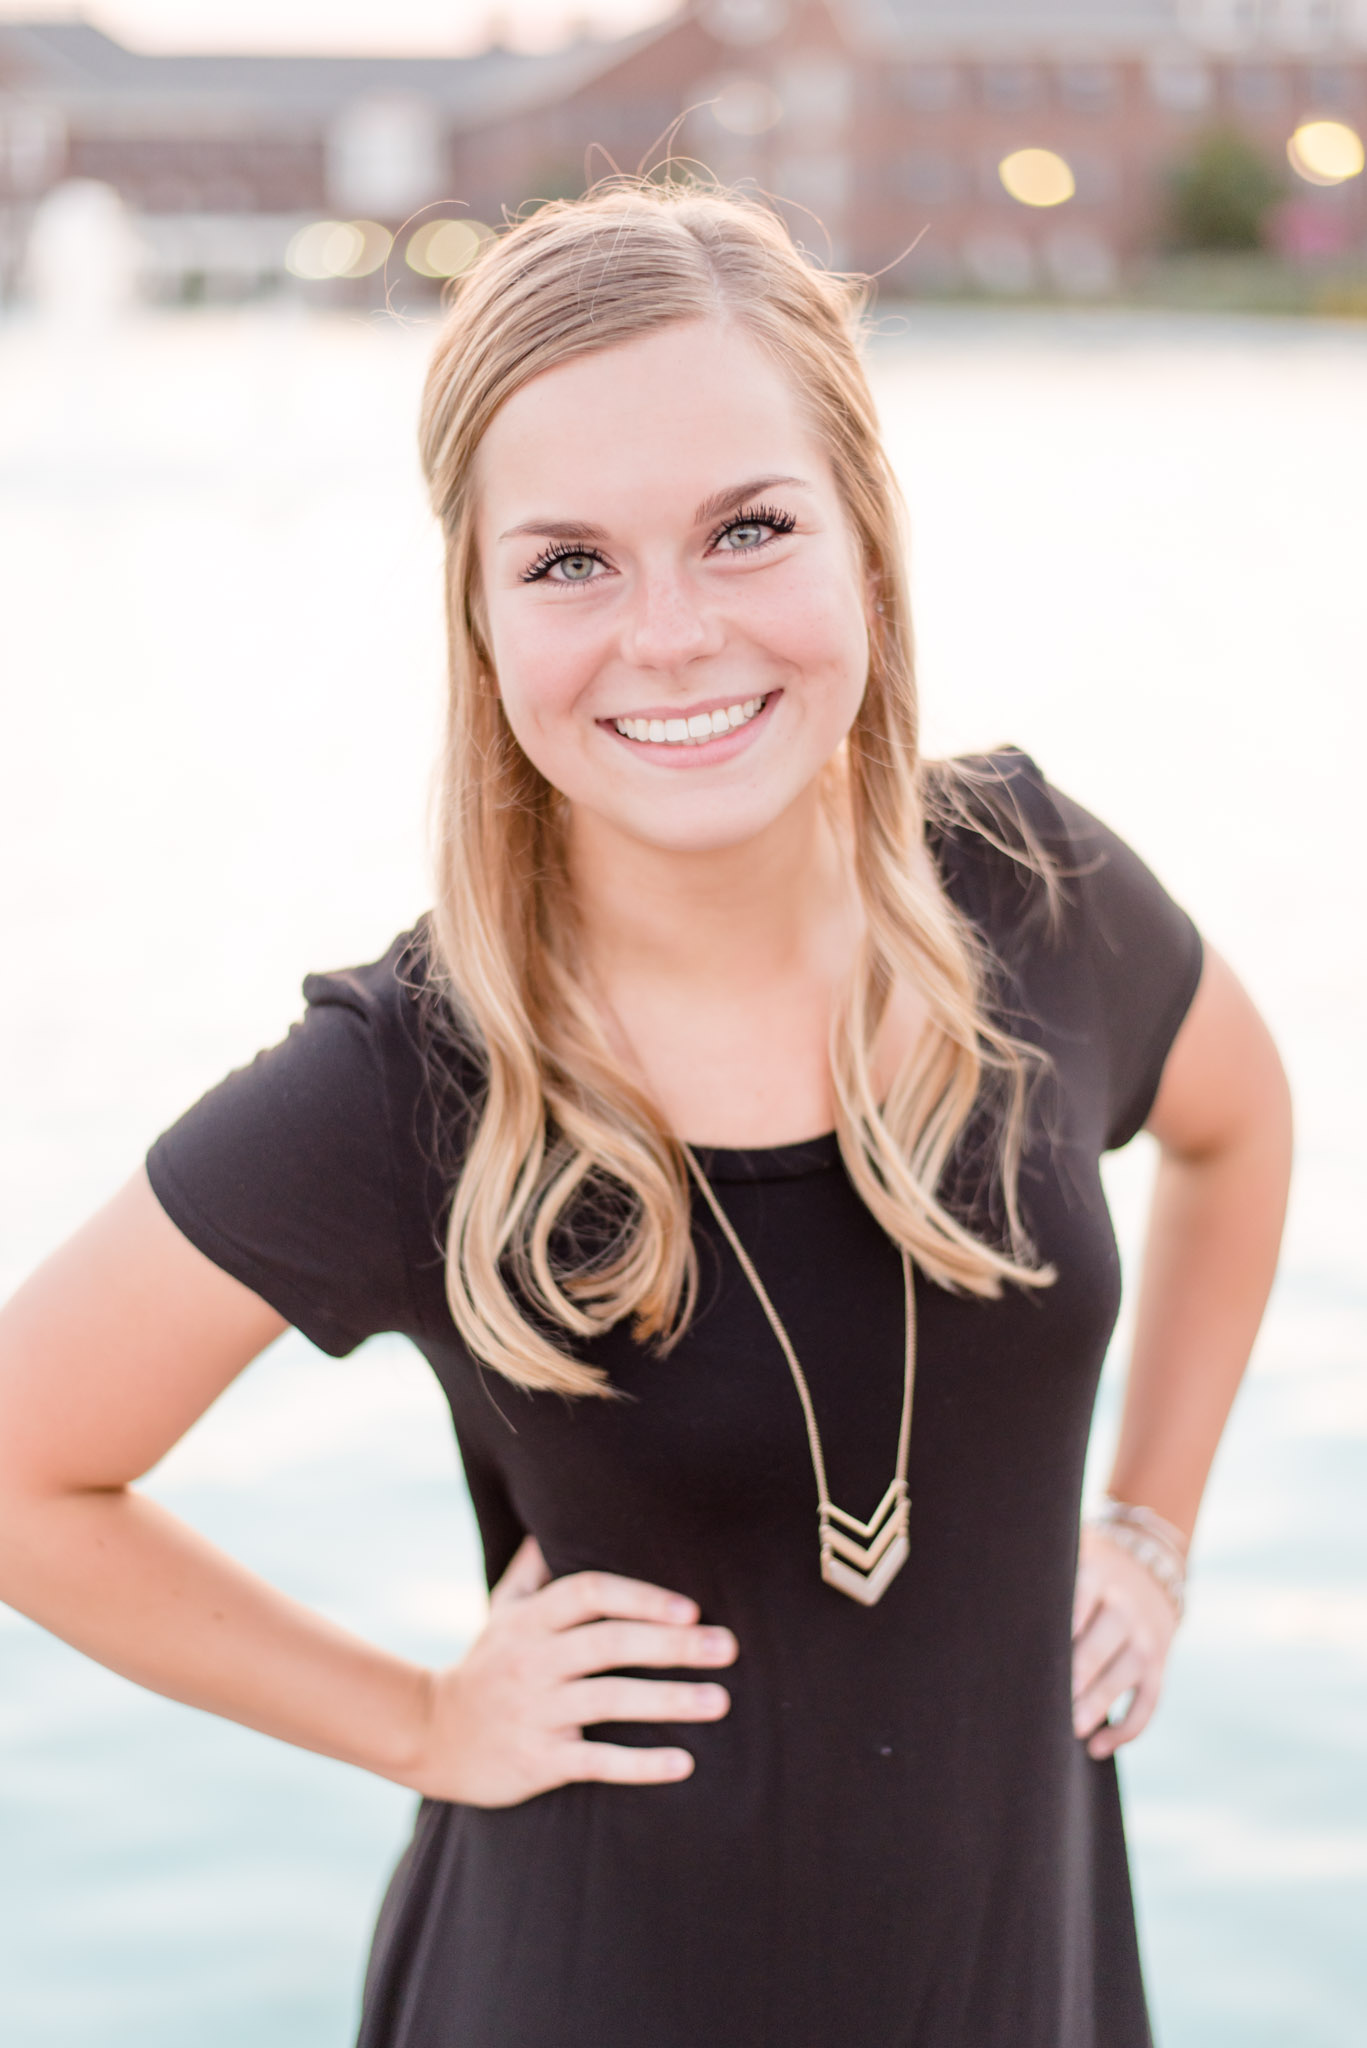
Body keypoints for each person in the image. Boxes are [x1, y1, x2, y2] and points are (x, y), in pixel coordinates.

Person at [0, 182, 1292, 2048]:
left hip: (1021, 1969)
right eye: (571, 562)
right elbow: (26, 1467)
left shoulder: (1036, 885)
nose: (672, 635)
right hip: (598, 1983)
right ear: (481, 614)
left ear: (864, 541)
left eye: (747, 529)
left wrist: (1150, 1533)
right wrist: (419, 1717)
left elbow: (1240, 1129)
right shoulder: (410, 1077)